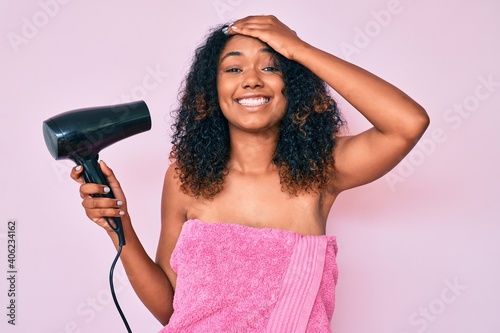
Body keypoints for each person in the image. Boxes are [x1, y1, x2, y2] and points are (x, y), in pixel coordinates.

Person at [71, 15, 429, 332]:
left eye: (272, 67)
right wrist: (119, 223)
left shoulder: (322, 169)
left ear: (294, 88)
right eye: (233, 69)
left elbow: (408, 123)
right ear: (212, 91)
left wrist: (300, 50)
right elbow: (170, 311)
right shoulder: (186, 177)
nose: (252, 80)